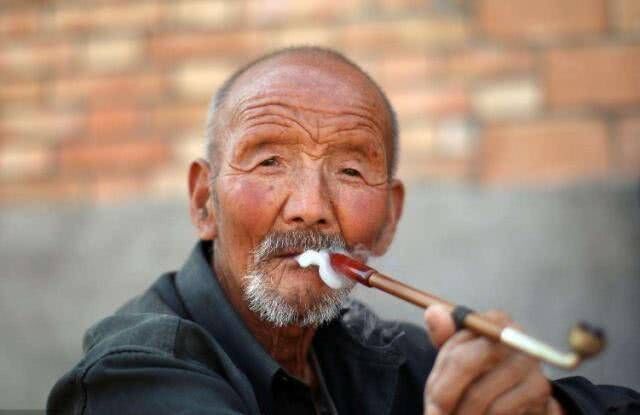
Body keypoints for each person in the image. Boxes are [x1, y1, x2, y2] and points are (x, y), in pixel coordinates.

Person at [48, 47, 639, 415]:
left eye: (351, 171)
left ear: (388, 221)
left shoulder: (379, 353)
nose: (310, 208)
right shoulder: (135, 374)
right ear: (205, 202)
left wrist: (546, 408)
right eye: (269, 161)